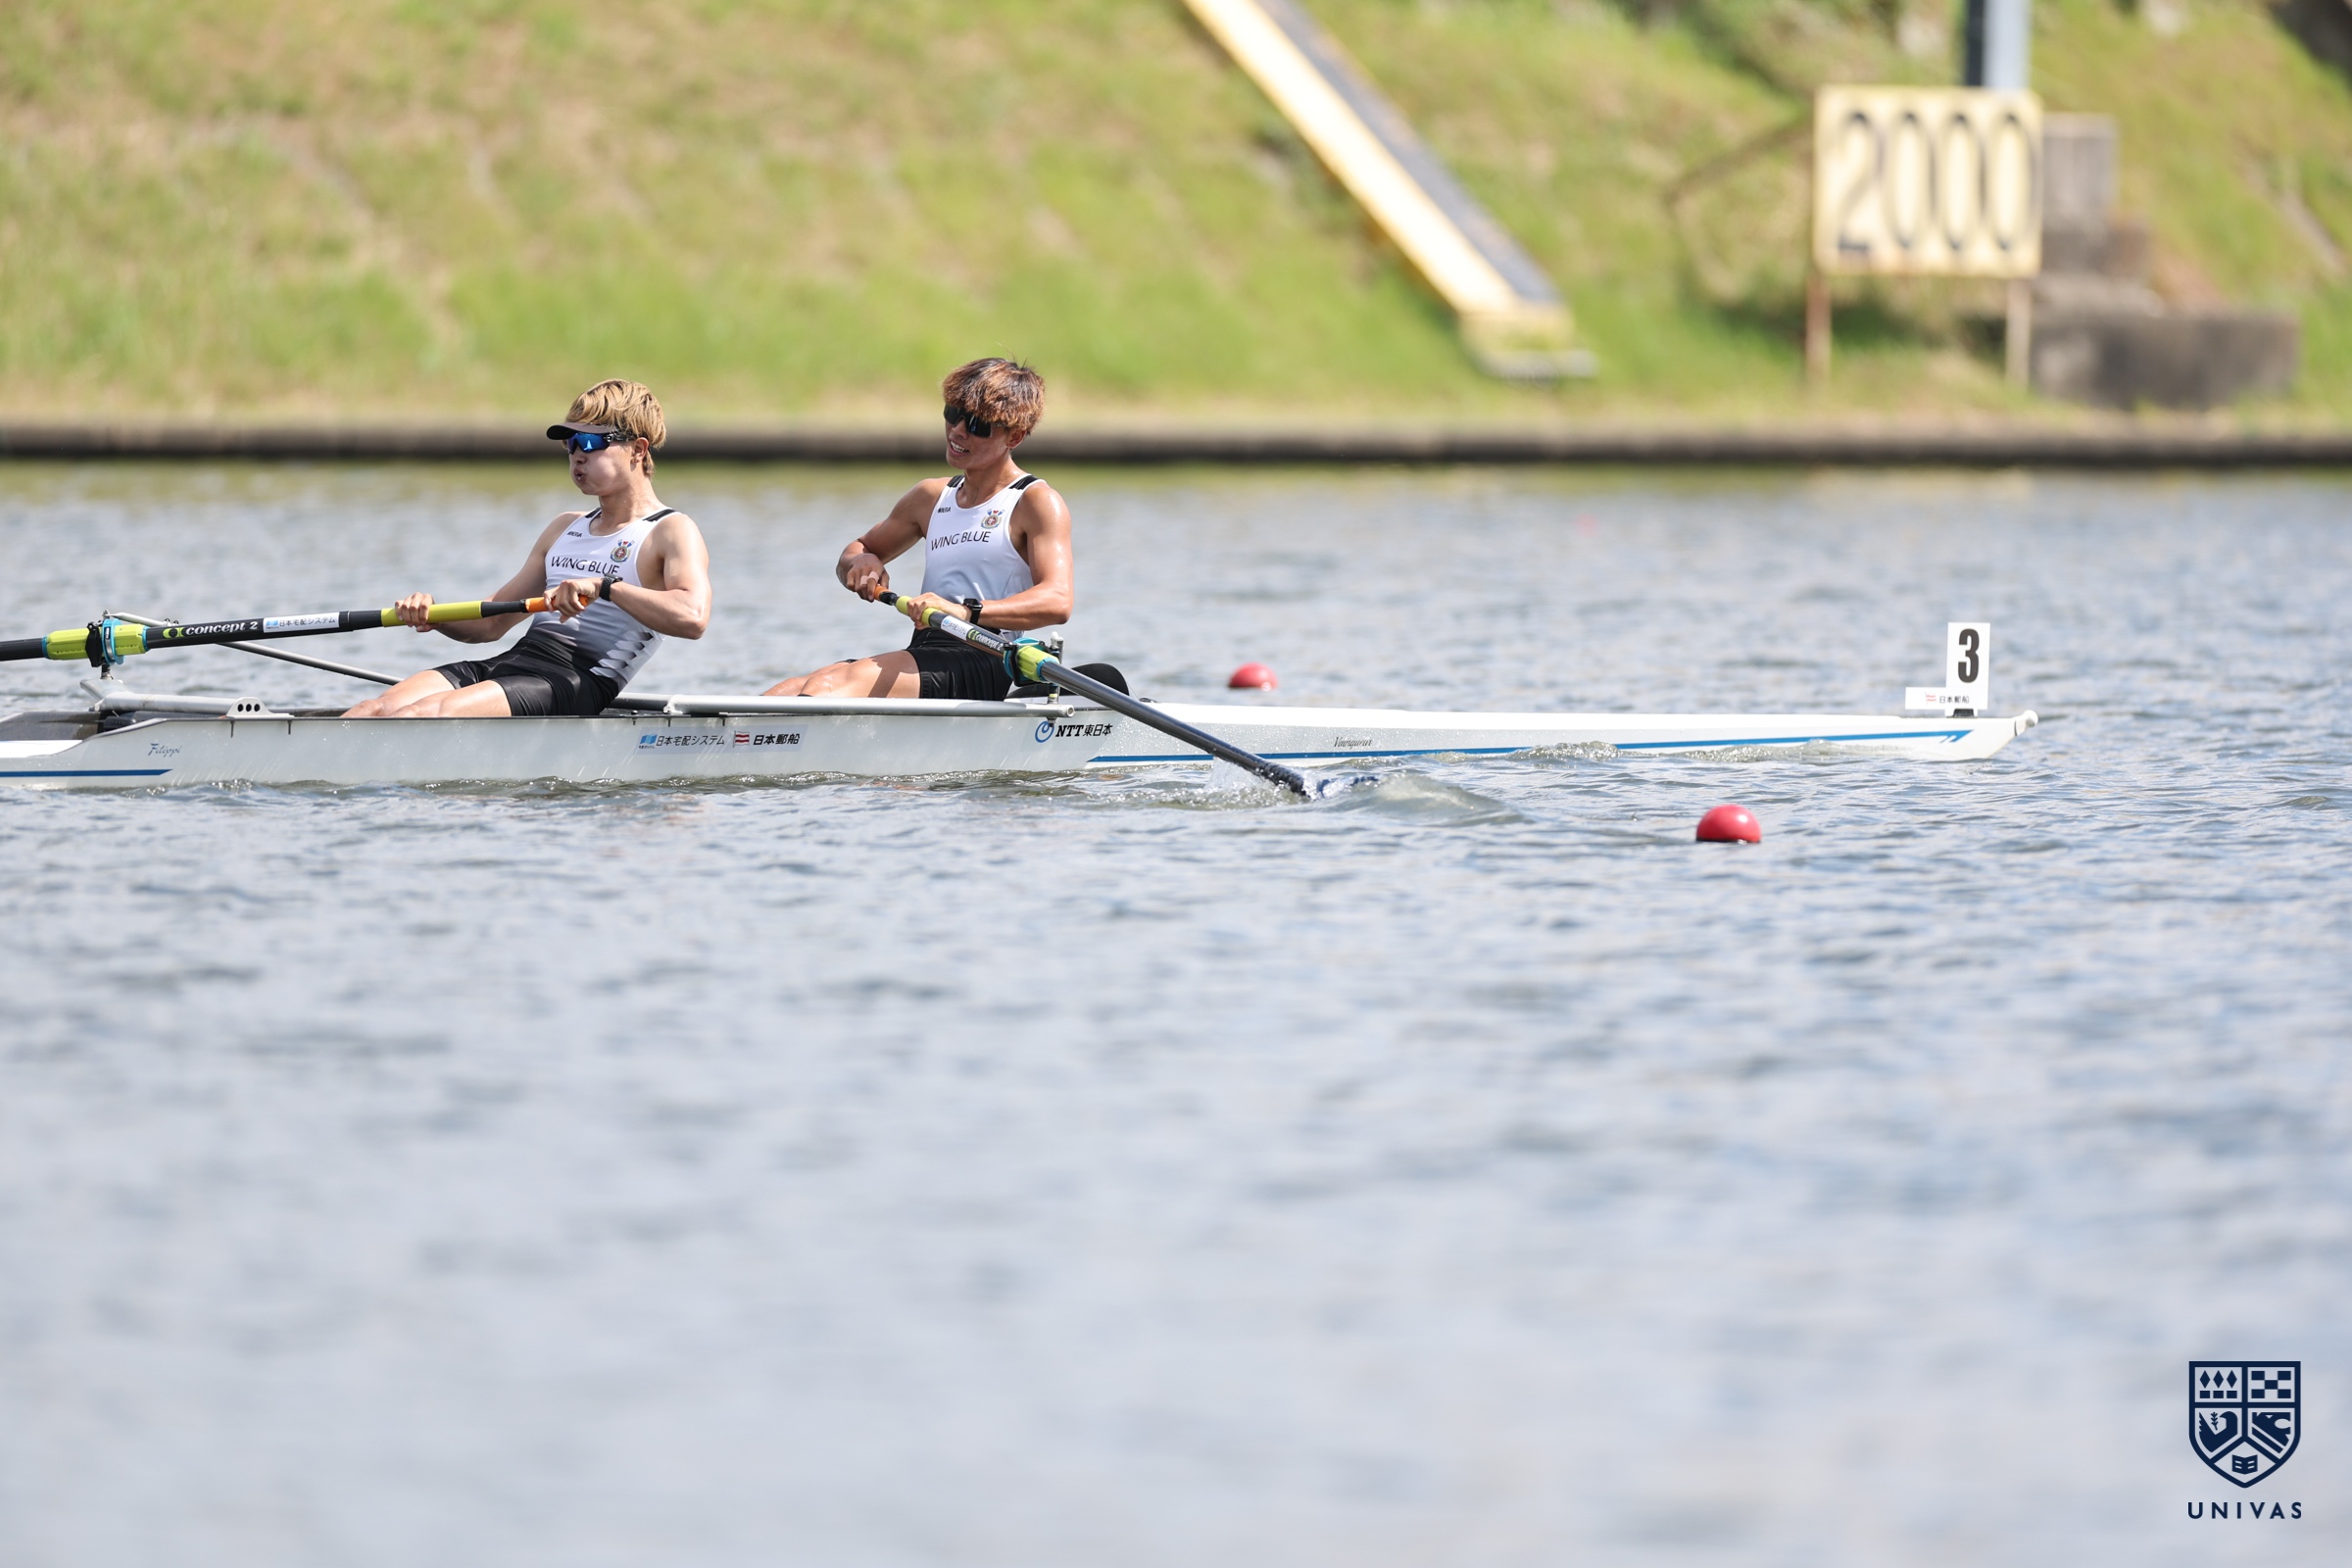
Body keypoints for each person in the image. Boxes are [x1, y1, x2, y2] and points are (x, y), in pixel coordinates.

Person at [345, 380, 710, 718]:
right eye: (569, 444)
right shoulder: (564, 527)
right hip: (515, 663)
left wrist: (604, 587)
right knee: (373, 709)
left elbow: (693, 618)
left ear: (638, 449)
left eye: (589, 443)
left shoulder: (670, 530)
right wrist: (432, 615)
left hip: (576, 680)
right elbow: (491, 624)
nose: (577, 456)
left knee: (423, 713)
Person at [764, 358, 1071, 701]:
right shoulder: (930, 497)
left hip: (987, 657)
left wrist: (966, 611)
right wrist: (862, 561)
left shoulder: (1035, 501)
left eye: (977, 425)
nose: (957, 431)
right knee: (789, 690)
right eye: (953, 414)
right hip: (927, 650)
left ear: (1014, 436)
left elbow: (1057, 601)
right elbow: (856, 550)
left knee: (828, 687)